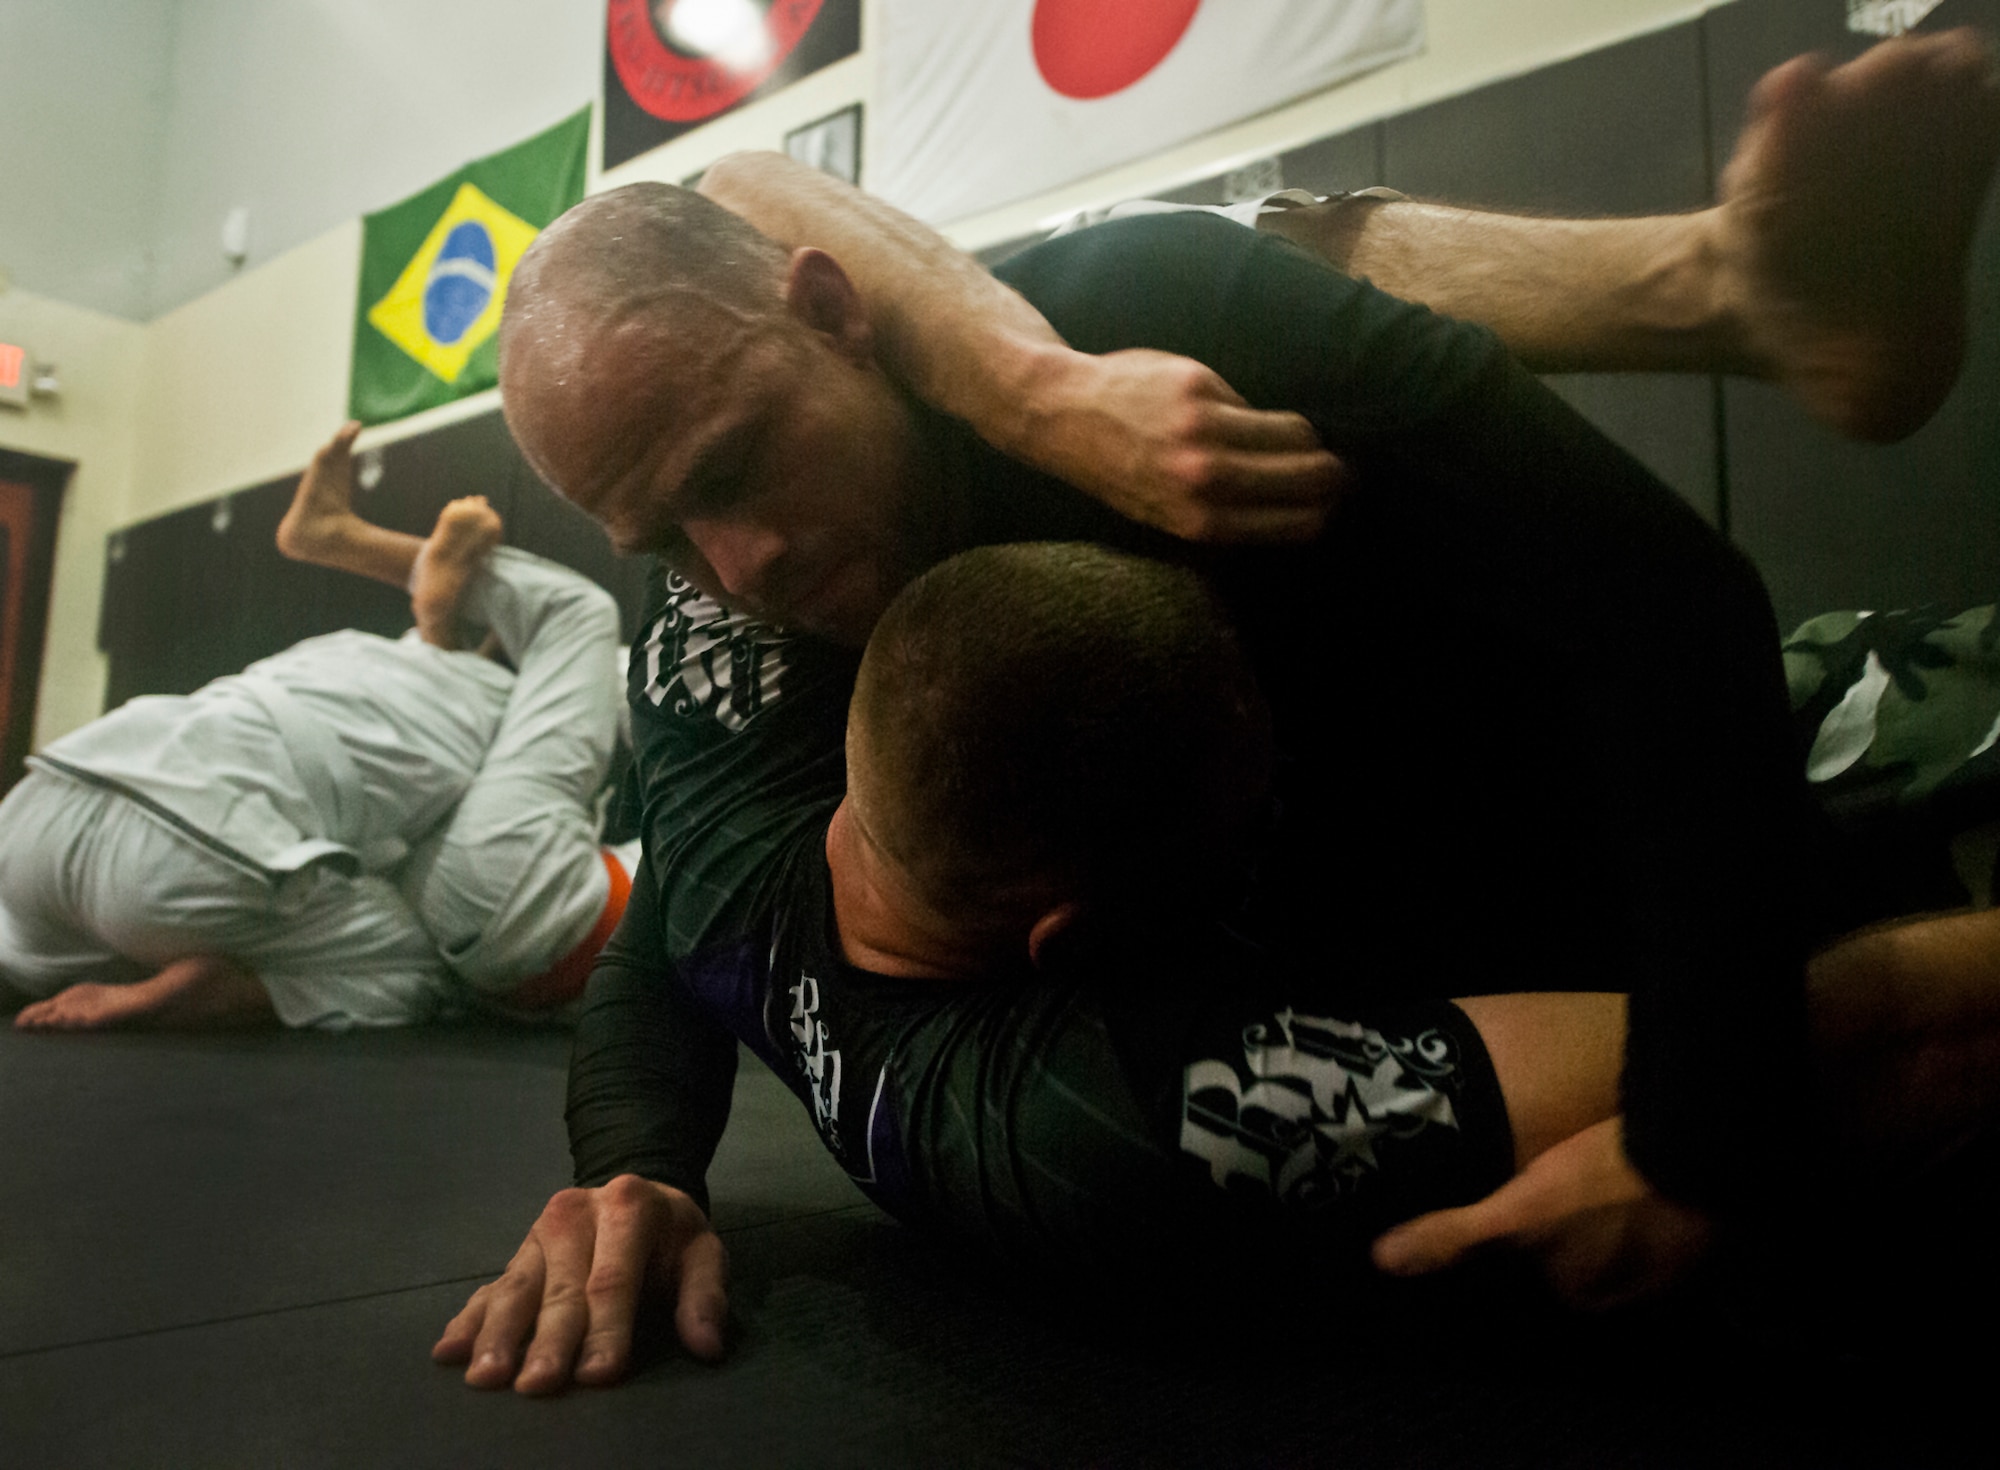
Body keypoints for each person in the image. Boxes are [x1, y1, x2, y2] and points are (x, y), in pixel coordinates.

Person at [438, 30, 2000, 1389]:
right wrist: (640, 1160)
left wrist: (1697, 1134)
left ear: (839, 316)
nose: (738, 561)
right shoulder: (714, 573)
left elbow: (1666, 606)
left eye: (731, 467)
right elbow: (704, 879)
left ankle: (1731, 287)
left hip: (1610, 862)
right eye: (660, 537)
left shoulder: (1157, 325)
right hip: (1361, 955)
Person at [0, 425, 628, 1030]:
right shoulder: (493, 707)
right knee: (425, 960)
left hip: (53, 805)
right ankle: (236, 992)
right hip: (195, 847)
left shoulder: (391, 678)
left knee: (561, 625)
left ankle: (383, 572)